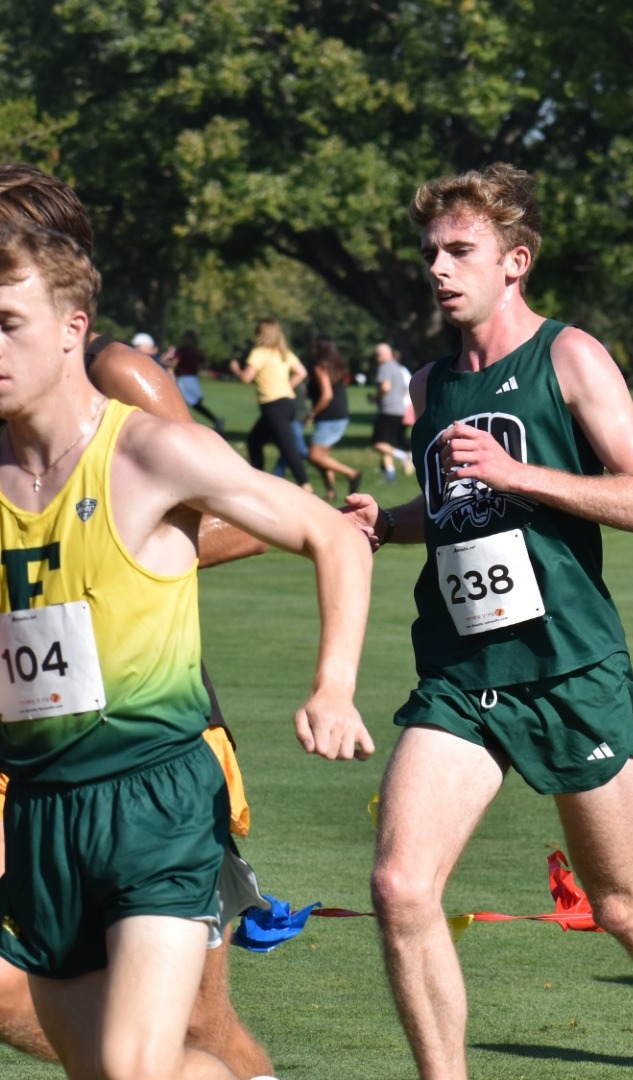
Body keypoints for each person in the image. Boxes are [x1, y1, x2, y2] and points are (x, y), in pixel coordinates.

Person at [343, 163, 633, 1080]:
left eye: (461, 251)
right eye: (431, 253)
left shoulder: (569, 356)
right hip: (460, 673)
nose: (440, 269)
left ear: (514, 260)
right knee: (401, 887)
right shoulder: (432, 381)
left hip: (568, 669)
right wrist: (387, 523)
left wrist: (518, 473)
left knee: (621, 900)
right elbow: (455, 505)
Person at [0, 221, 374, 1080]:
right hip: (40, 806)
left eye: (8, 321)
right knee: (114, 1071)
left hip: (155, 799)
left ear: (71, 326)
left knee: (133, 1069)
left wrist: (334, 683)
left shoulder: (150, 451)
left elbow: (334, 534)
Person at [0, 162, 274, 1078]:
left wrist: (106, 556)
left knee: (194, 1033)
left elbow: (243, 518)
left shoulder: (117, 371)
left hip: (147, 740)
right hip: (31, 742)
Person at [229, 319, 310, 490]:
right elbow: (302, 373)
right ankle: (257, 482)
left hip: (275, 406)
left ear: (261, 334)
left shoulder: (259, 353)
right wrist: (287, 385)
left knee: (287, 448)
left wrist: (235, 368)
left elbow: (246, 378)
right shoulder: (283, 352)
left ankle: (306, 486)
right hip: (287, 403)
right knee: (254, 441)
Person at [304, 337, 364, 501]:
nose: (312, 351)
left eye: (315, 347)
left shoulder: (320, 367)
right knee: (323, 457)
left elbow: (327, 395)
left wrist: (312, 414)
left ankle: (352, 473)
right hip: (340, 415)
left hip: (329, 417)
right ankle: (330, 491)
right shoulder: (337, 366)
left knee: (314, 456)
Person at [370, 342, 415, 483]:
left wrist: (376, 398)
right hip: (398, 408)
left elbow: (385, 387)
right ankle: (390, 475)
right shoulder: (398, 368)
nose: (376, 358)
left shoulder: (385, 367)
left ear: (382, 355)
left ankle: (404, 456)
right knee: (386, 443)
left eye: (376, 355)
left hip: (388, 409)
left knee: (377, 443)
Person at [167, 329, 224, 430]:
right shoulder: (196, 351)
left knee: (183, 403)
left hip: (183, 379)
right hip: (193, 379)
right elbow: (205, 362)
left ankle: (187, 424)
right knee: (194, 404)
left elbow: (174, 364)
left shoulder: (182, 350)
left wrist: (168, 366)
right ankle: (212, 420)